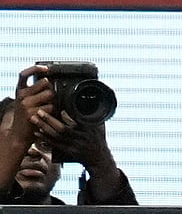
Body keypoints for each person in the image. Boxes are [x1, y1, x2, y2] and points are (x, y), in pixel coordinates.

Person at [0, 65, 138, 205]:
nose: (33, 151)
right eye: (22, 143)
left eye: (45, 143)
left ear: (63, 156)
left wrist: (101, 165)